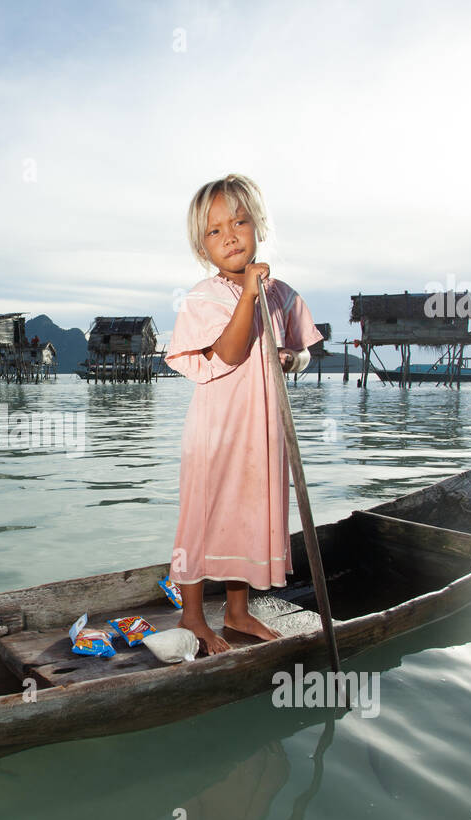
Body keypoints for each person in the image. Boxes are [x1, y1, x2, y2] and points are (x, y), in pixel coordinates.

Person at [164, 174, 324, 655]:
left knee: (246, 518)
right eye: (215, 231)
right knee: (204, 517)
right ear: (202, 247)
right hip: (217, 431)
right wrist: (250, 294)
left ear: (258, 225)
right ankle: (193, 619)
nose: (230, 235)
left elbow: (304, 351)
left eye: (239, 222)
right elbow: (230, 353)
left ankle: (237, 611)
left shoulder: (282, 294)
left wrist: (292, 359)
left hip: (262, 430)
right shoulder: (205, 297)